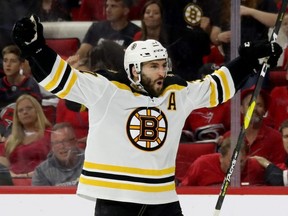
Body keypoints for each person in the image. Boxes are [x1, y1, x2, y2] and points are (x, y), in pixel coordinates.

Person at [12, 14, 282, 215]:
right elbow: (60, 79)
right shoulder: (106, 89)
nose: (161, 72)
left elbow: (216, 88)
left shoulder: (175, 91)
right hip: (114, 197)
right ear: (133, 70)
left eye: (163, 65)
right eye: (153, 66)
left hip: (161, 197)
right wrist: (35, 48)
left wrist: (248, 61)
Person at [160, 0, 222, 81]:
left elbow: (215, 35)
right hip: (175, 56)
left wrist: (210, 28)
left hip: (200, 59)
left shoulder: (211, 4)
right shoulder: (172, 5)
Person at [229, 85, 286, 164]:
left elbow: (278, 171)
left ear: (264, 111)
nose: (254, 109)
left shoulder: (276, 139)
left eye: (259, 105)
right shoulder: (229, 137)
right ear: (241, 109)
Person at [180, 136, 265, 186]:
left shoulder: (254, 166)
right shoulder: (202, 164)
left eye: (241, 161)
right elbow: (183, 191)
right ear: (221, 158)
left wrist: (266, 163)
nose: (237, 166)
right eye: (232, 161)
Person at [0, 94, 51, 178]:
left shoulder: (50, 134)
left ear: (37, 110)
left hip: (41, 179)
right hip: (14, 182)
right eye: (20, 110)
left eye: (29, 108)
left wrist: (26, 175)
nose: (25, 112)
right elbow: (3, 162)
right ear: (17, 116)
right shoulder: (11, 140)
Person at [0, 45, 42, 139]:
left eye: (13, 61)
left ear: (21, 65)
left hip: (24, 130)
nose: (8, 65)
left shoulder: (30, 85)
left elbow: (36, 115)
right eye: (5, 60)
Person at [75, 0, 141, 60]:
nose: (108, 10)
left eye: (113, 6)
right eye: (107, 6)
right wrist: (75, 60)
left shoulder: (136, 32)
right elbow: (83, 51)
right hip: (95, 68)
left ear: (125, 11)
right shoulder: (96, 27)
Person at [252, 119, 288, 186]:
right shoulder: (279, 168)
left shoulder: (275, 170)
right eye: (286, 136)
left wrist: (266, 164)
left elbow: (281, 180)